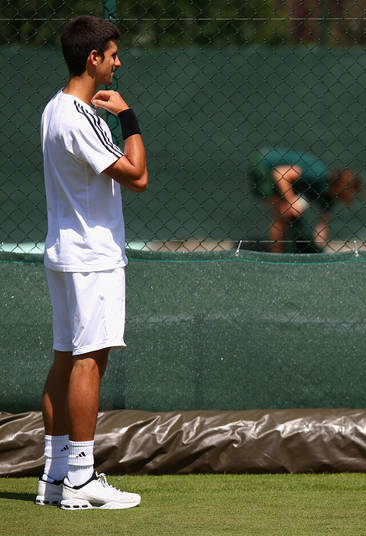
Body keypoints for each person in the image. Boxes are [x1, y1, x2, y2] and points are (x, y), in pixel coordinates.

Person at [37, 15, 148, 510]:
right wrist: (128, 117)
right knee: (88, 360)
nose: (118, 63)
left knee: (66, 358)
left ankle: (55, 475)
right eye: (113, 55)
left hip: (66, 253)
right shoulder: (79, 118)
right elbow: (137, 176)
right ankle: (80, 479)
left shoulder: (53, 109)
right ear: (93, 58)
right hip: (90, 256)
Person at [247, 147, 362, 253]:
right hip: (264, 163)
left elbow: (322, 225)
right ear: (341, 187)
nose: (351, 197)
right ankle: (275, 256)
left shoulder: (331, 197)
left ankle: (281, 251)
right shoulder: (317, 174)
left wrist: (319, 247)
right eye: (350, 192)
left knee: (287, 214)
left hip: (283, 179)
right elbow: (280, 174)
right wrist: (292, 202)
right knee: (282, 214)